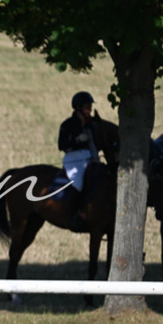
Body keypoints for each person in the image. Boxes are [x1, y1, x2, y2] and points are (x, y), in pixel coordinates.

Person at [58, 91, 98, 226]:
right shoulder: (68, 124)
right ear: (78, 107)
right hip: (73, 158)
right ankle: (74, 212)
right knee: (78, 182)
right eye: (87, 106)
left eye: (90, 106)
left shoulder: (92, 124)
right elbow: (61, 145)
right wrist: (77, 140)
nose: (90, 109)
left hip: (90, 157)